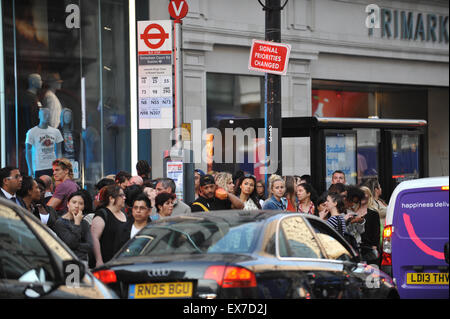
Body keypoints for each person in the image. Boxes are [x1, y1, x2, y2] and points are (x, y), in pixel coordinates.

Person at [91, 185, 129, 267]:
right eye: (121, 195)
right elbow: (94, 238)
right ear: (111, 198)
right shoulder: (102, 214)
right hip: (106, 262)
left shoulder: (124, 214)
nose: (124, 198)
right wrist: (99, 260)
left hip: (121, 262)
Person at [54, 190, 92, 262]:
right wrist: (77, 223)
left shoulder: (84, 223)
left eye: (80, 203)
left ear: (83, 207)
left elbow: (90, 246)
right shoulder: (60, 223)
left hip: (83, 261)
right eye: (74, 202)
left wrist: (75, 246)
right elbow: (71, 243)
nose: (76, 206)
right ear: (68, 204)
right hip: (68, 261)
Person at [25, 107, 63, 178]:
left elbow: (59, 151)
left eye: (48, 114)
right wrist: (30, 168)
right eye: (44, 114)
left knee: (53, 187)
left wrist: (59, 166)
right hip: (38, 167)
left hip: (53, 167)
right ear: (39, 116)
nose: (47, 116)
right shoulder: (31, 132)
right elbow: (28, 151)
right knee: (40, 187)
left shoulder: (56, 132)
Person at [358, 186, 381, 265]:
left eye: (365, 194)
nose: (363, 196)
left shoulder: (373, 213)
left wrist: (374, 245)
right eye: (360, 194)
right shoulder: (352, 212)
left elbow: (376, 232)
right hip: (356, 248)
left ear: (369, 196)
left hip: (369, 247)